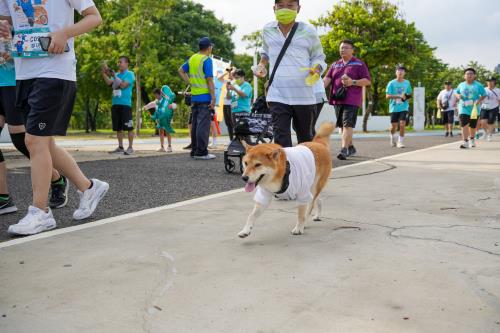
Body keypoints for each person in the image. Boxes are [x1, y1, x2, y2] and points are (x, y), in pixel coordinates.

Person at [0, 0, 109, 235]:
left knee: (33, 141)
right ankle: (88, 187)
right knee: (44, 142)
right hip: (23, 71)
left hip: (55, 71)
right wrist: (5, 28)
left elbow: (94, 16)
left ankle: (40, 213)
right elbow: (8, 21)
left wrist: (65, 33)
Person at [0, 51, 69, 209]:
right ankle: (3, 198)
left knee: (22, 141)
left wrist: (11, 51)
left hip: (14, 81)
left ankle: (57, 178)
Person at [254, 0, 327, 148]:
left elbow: (319, 57)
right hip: (277, 93)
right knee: (281, 136)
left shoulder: (308, 30)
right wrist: (262, 64)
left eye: (290, 5)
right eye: (280, 6)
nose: (285, 9)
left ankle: (306, 169)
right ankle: (285, 170)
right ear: (274, 8)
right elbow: (265, 52)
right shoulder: (267, 29)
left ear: (298, 8)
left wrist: (317, 69)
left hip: (304, 94)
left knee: (305, 138)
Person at [324, 39, 371, 159]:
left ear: (352, 50)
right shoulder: (335, 64)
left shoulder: (359, 64)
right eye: (341, 48)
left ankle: (344, 150)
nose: (342, 50)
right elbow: (327, 80)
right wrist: (315, 87)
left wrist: (353, 82)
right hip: (337, 99)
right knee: (342, 125)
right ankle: (351, 147)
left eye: (345, 47)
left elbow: (367, 81)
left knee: (347, 124)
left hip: (352, 100)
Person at [178, 37, 216, 160]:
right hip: (205, 97)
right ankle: (201, 152)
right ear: (209, 47)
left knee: (195, 125)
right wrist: (213, 97)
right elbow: (209, 80)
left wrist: (190, 83)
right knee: (203, 125)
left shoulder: (193, 58)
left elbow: (180, 70)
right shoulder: (206, 60)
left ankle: (194, 150)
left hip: (195, 97)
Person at [102, 56, 135, 155]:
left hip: (125, 104)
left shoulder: (130, 74)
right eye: (118, 62)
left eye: (121, 62)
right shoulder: (116, 74)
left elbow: (123, 85)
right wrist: (103, 73)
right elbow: (109, 83)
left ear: (127, 63)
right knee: (118, 128)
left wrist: (114, 76)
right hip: (115, 104)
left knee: (128, 127)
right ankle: (120, 147)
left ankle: (130, 147)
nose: (119, 64)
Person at [455, 68, 487, 149]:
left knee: (472, 126)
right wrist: (458, 96)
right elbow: (456, 92)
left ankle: (472, 139)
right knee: (464, 125)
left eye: (471, 74)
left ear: (474, 76)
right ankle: (465, 141)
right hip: (463, 107)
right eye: (467, 74)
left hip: (474, 109)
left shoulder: (478, 85)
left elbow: (484, 95)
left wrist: (479, 100)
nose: (469, 75)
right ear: (464, 76)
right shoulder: (461, 85)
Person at [143, 86, 177, 152]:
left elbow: (175, 105)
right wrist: (146, 107)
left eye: (157, 96)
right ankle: (162, 147)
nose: (156, 97)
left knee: (167, 131)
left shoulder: (167, 99)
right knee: (161, 131)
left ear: (160, 94)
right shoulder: (156, 101)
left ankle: (169, 146)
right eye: (155, 96)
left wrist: (172, 106)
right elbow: (151, 104)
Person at [386, 65, 412, 148]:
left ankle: (400, 142)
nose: (400, 72)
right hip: (394, 107)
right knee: (394, 126)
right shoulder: (391, 83)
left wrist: (407, 97)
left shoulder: (407, 83)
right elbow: (387, 96)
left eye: (402, 71)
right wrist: (398, 96)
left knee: (402, 124)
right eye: (398, 70)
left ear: (404, 73)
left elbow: (409, 94)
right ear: (396, 72)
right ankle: (392, 136)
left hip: (404, 107)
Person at [480, 77, 499, 141]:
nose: (489, 82)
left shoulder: (498, 90)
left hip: (494, 107)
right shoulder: (483, 89)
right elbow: (480, 98)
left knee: (491, 122)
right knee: (482, 123)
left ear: (494, 82)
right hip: (484, 107)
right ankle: (486, 132)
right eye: (488, 81)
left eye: (491, 81)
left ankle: (490, 134)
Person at [219, 67, 235, 140]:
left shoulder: (235, 81)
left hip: (232, 104)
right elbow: (219, 78)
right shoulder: (226, 81)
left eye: (231, 73)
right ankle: (231, 139)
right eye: (229, 73)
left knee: (233, 123)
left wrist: (232, 70)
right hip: (225, 104)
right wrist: (226, 72)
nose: (229, 74)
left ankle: (237, 139)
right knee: (227, 123)